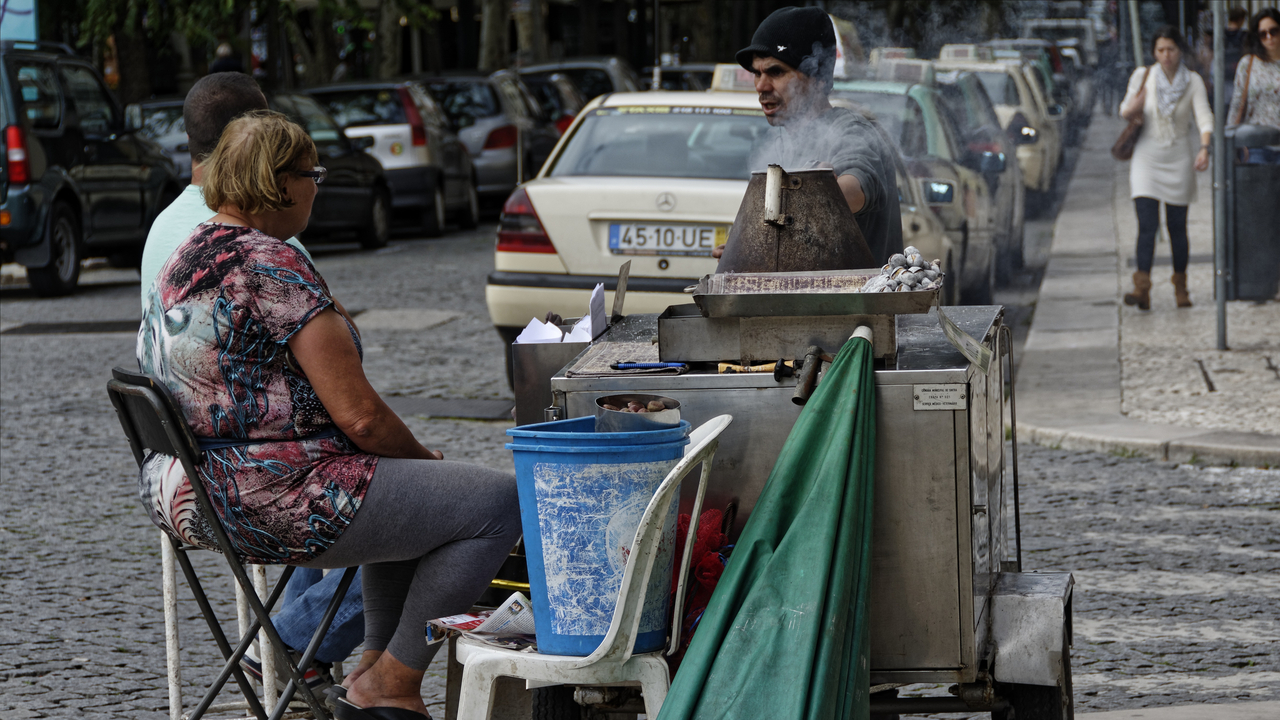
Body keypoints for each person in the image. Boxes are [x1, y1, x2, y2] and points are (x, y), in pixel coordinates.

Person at [137, 111, 522, 720]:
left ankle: (371, 670)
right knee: (499, 505)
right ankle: (392, 681)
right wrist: (421, 456)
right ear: (279, 183)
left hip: (191, 490)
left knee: (413, 491)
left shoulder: (186, 255)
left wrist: (412, 467)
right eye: (312, 175)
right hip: (269, 494)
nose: (317, 187)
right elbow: (361, 417)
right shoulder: (270, 264)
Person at [139, 71, 367, 694]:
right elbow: (337, 351)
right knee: (432, 504)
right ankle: (293, 644)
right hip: (248, 474)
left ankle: (305, 653)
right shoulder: (263, 243)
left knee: (353, 462)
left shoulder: (168, 231)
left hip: (184, 462)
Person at [710, 5, 902, 265]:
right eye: (757, 73)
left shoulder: (851, 131)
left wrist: (819, 192)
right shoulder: (783, 143)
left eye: (776, 72)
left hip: (856, 294)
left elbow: (853, 191)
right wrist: (751, 247)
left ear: (818, 77)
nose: (761, 86)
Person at [1119, 26, 1213, 311]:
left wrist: (1204, 148)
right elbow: (1124, 110)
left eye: (1171, 49)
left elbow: (1204, 117)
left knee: (1177, 227)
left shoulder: (1193, 81)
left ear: (1180, 50)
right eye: (1160, 50)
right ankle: (1141, 288)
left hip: (1179, 158)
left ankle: (1181, 287)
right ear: (1154, 52)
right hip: (1146, 159)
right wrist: (1134, 106)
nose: (1166, 55)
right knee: (1147, 226)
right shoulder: (1143, 75)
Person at [1227, 7, 1280, 129]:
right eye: (1263, 34)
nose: (1269, 37)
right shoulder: (1247, 63)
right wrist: (1231, 133)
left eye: (1273, 31)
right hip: (1255, 136)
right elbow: (1237, 103)